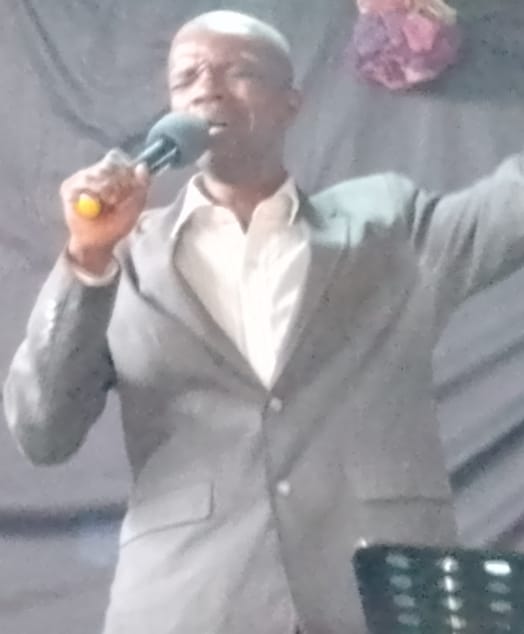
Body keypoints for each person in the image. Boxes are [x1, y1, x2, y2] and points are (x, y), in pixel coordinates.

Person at [4, 9, 524, 634]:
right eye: (187, 76)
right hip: (190, 605)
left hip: (379, 599)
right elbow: (43, 434)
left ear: (290, 104)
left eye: (239, 71)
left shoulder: (388, 224)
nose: (208, 87)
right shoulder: (123, 259)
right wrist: (86, 259)